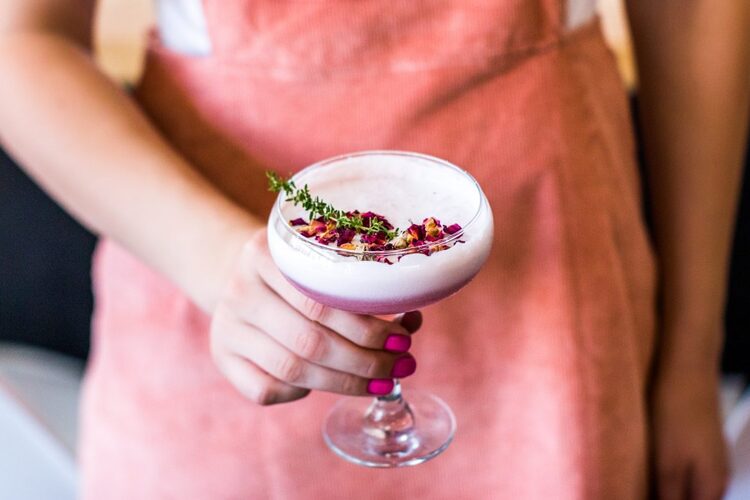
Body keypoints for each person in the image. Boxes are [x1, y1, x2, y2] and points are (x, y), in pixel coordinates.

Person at [1, 0, 747, 498]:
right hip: (205, 292)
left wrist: (688, 354)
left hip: (548, 316)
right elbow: (22, 39)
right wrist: (219, 265)